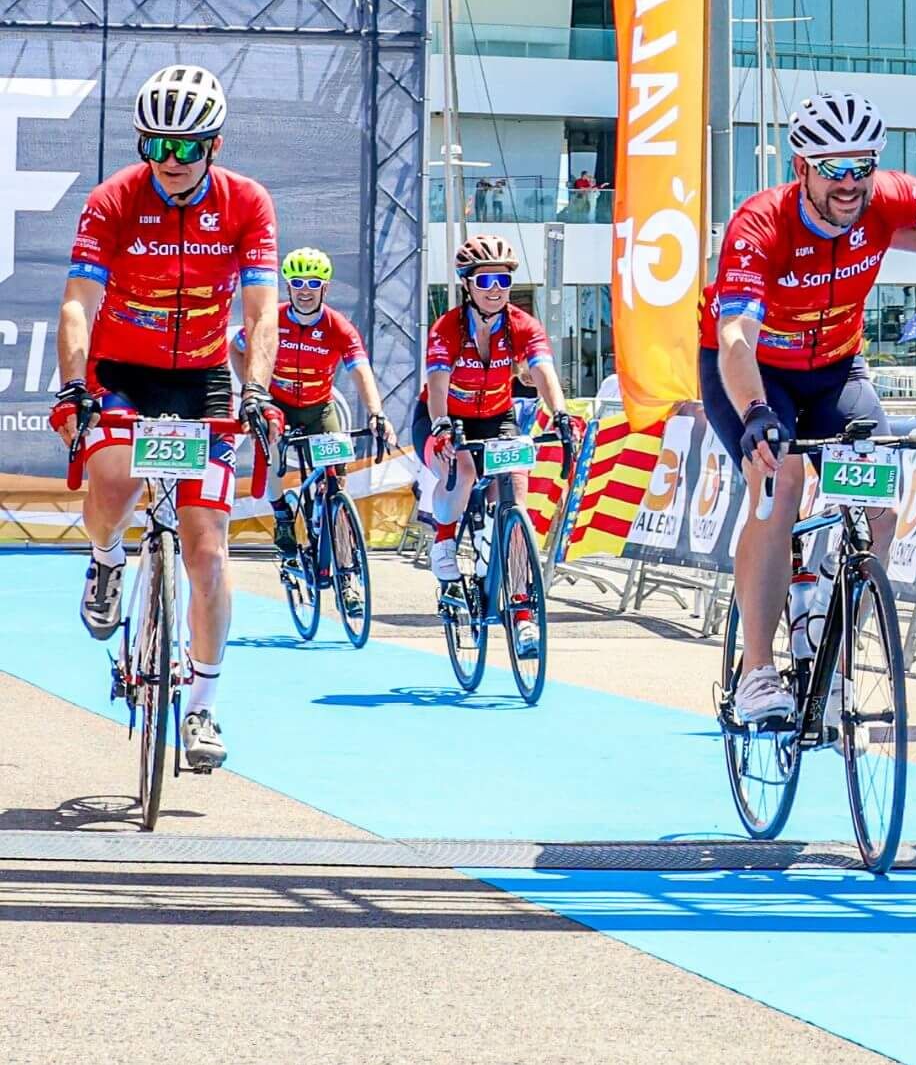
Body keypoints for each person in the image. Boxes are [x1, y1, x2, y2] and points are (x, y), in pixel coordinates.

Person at [704, 91, 916, 726]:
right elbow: (734, 341)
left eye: (862, 166)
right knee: (780, 483)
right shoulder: (760, 225)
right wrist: (754, 412)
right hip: (757, 372)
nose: (850, 183)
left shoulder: (881, 197)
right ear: (800, 166)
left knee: (881, 508)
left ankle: (833, 647)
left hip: (834, 366)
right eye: (834, 168)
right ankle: (756, 672)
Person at [52, 64, 283, 773]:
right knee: (116, 483)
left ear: (214, 145)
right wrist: (71, 385)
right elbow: (76, 305)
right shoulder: (113, 199)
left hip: (203, 379)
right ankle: (105, 559)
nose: (169, 162)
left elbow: (261, 311)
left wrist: (256, 389)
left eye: (185, 148)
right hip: (122, 371)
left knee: (208, 552)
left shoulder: (247, 203)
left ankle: (205, 703)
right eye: (155, 145)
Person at [420, 232, 583, 657]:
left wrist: (561, 413)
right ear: (467, 285)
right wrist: (441, 425)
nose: (495, 290)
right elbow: (437, 384)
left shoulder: (522, 325)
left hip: (496, 416)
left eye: (503, 282)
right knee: (466, 470)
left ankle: (523, 614)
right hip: (445, 416)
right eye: (485, 281)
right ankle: (443, 539)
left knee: (515, 492)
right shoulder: (448, 328)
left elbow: (543, 371)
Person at [232, 246, 394, 554]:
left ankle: (344, 562)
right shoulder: (272, 319)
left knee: (336, 481)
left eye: (313, 283)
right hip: (277, 406)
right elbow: (236, 348)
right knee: (272, 455)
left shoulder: (338, 327)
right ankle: (281, 514)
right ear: (288, 286)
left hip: (318, 408)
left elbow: (361, 368)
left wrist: (377, 413)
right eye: (298, 283)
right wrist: (251, 389)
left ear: (325, 287)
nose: (305, 291)